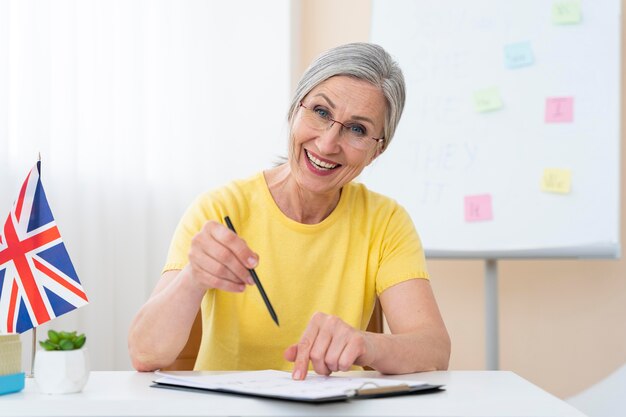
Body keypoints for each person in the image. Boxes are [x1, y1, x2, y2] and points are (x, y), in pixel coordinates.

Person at [128, 42, 450, 379]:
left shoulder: (386, 222)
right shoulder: (220, 209)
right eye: (321, 112)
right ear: (294, 110)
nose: (327, 144)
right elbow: (144, 353)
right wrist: (192, 277)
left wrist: (366, 345)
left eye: (358, 129)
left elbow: (434, 349)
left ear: (377, 151)